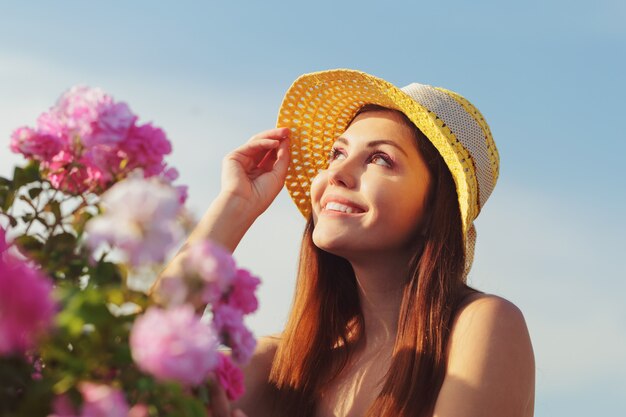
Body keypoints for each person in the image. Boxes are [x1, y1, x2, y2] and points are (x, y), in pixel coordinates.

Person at [159, 69, 535, 417]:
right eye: (336, 153)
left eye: (380, 159)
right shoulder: (281, 364)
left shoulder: (482, 326)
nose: (336, 172)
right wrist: (235, 207)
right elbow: (136, 362)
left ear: (432, 211)